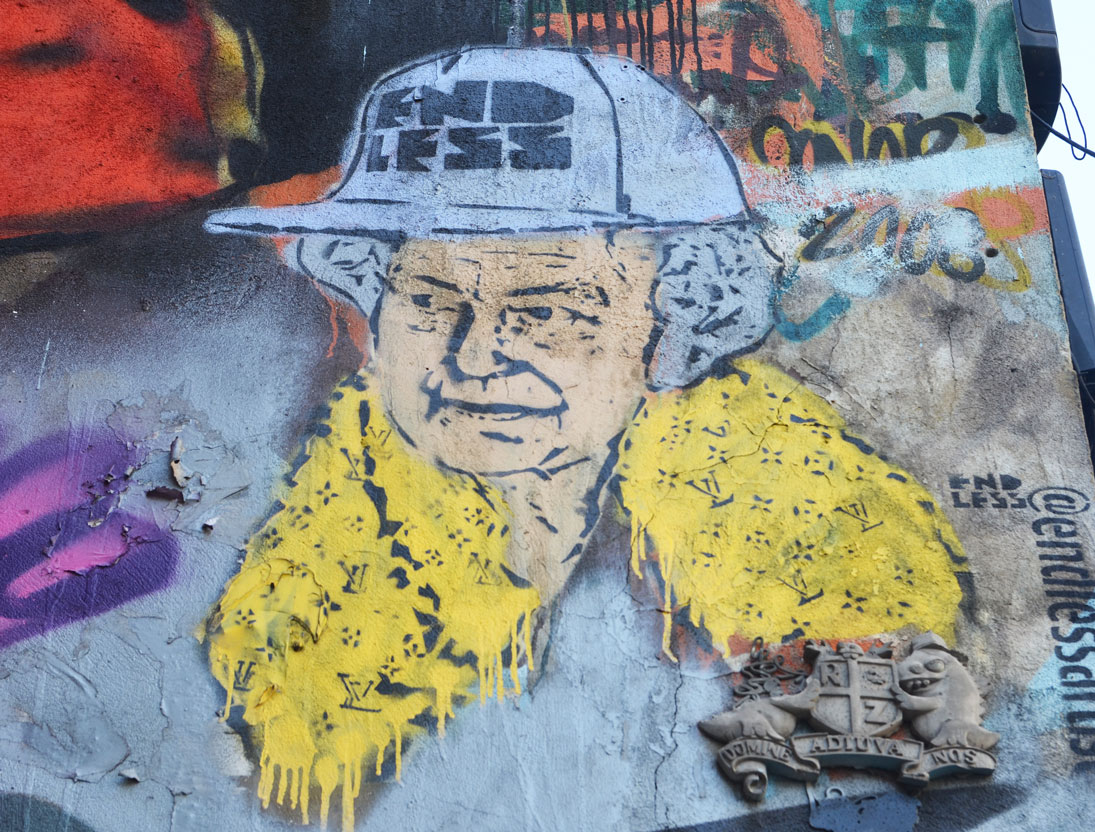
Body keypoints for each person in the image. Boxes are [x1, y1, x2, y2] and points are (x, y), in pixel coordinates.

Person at [201, 46, 969, 830]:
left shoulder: (811, 531)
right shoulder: (297, 550)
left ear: (674, 319)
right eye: (430, 299)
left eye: (547, 311)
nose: (473, 357)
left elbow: (873, 788)